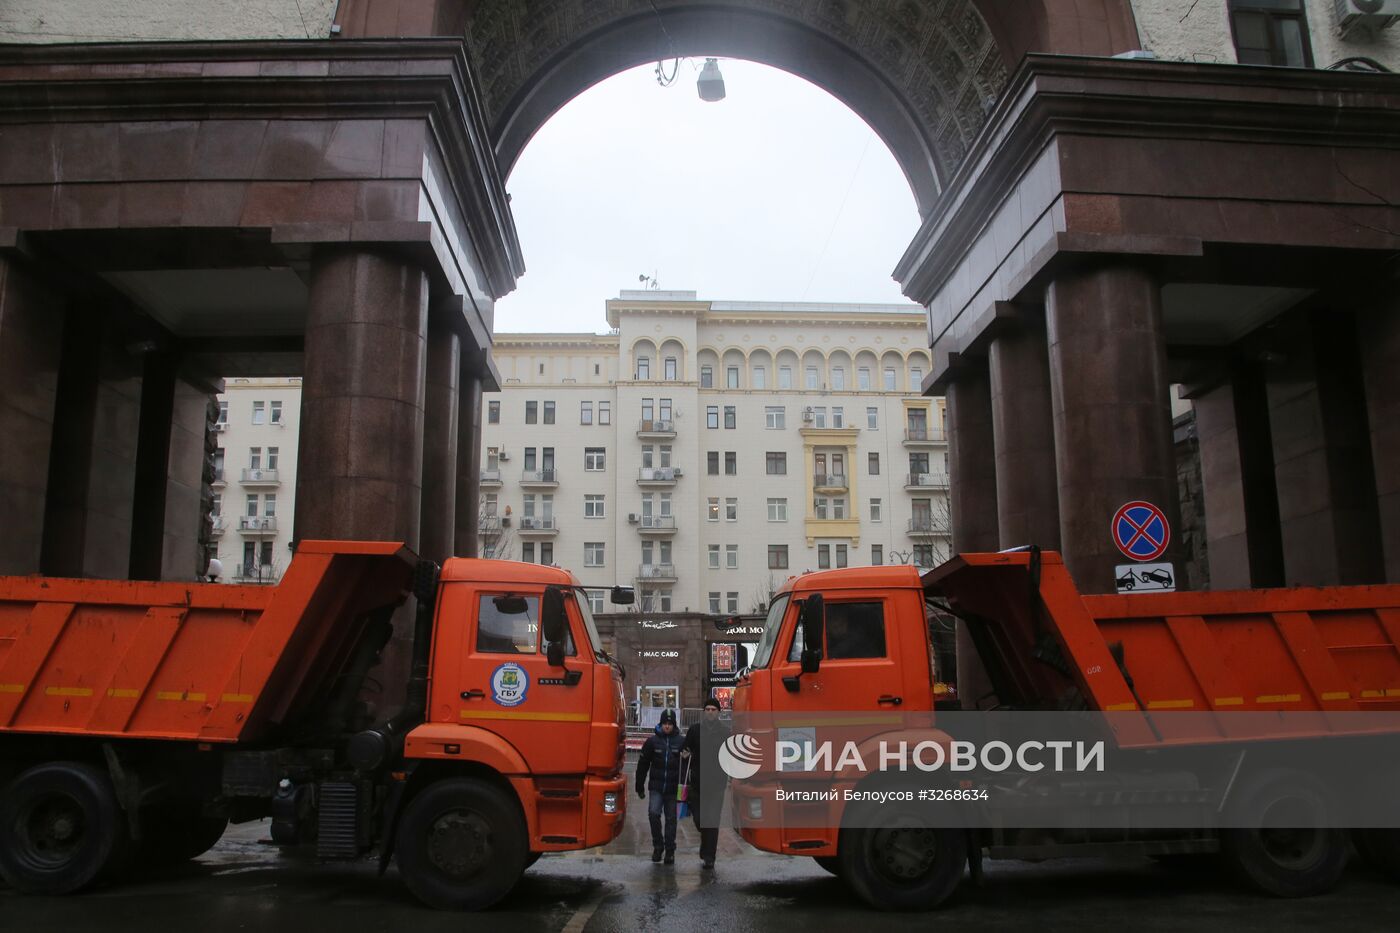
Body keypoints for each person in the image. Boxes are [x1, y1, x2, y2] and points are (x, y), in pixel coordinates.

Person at [682, 696, 730, 869]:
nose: (710, 712)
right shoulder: (695, 730)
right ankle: (706, 842)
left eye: (713, 709)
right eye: (708, 709)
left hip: (717, 784)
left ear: (718, 712)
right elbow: (685, 750)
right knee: (699, 819)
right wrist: (684, 754)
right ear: (704, 712)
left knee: (712, 821)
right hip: (697, 783)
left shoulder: (725, 732)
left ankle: (709, 856)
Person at [635, 707, 684, 864]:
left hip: (672, 788)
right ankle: (658, 846)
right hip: (656, 787)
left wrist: (687, 787)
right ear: (661, 724)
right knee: (653, 814)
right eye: (665, 723)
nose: (667, 726)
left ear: (674, 725)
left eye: (670, 723)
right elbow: (643, 764)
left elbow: (687, 765)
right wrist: (639, 785)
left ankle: (670, 850)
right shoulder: (652, 742)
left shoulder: (681, 742)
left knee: (671, 819)